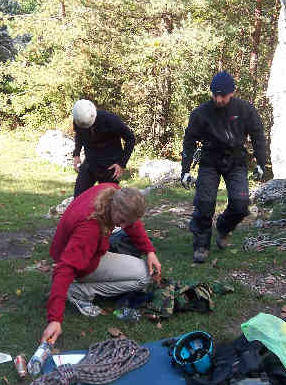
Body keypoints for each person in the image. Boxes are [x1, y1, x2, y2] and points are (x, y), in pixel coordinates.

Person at [39, 184, 161, 345]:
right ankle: (77, 291)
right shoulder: (90, 227)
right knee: (145, 276)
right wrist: (55, 319)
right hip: (79, 261)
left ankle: (73, 286)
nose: (123, 226)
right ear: (116, 208)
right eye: (122, 221)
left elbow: (133, 223)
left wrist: (149, 251)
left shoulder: (112, 191)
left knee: (143, 268)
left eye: (127, 222)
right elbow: (65, 268)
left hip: (78, 251)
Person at [181, 71, 267, 263]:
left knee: (241, 205)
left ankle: (223, 227)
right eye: (215, 94)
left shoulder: (245, 110)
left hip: (235, 160)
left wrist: (261, 162)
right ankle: (202, 244)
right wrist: (185, 170)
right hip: (210, 160)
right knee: (204, 204)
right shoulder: (201, 113)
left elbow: (258, 136)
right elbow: (189, 141)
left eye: (223, 95)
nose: (219, 99)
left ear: (232, 92)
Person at [71, 100, 136, 198]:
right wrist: (76, 154)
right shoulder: (79, 120)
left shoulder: (110, 120)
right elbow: (79, 135)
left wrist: (121, 163)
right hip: (90, 163)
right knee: (79, 198)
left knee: (108, 202)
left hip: (110, 167)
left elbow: (130, 139)